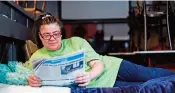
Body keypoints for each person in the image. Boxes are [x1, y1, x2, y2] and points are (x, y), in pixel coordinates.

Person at [28, 13, 175, 88]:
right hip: (102, 83)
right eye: (47, 35)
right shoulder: (37, 57)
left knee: (150, 74)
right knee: (145, 86)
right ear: (39, 36)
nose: (52, 38)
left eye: (56, 34)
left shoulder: (76, 42)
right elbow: (20, 74)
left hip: (112, 67)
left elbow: (98, 64)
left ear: (61, 33)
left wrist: (90, 75)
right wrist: (30, 79)